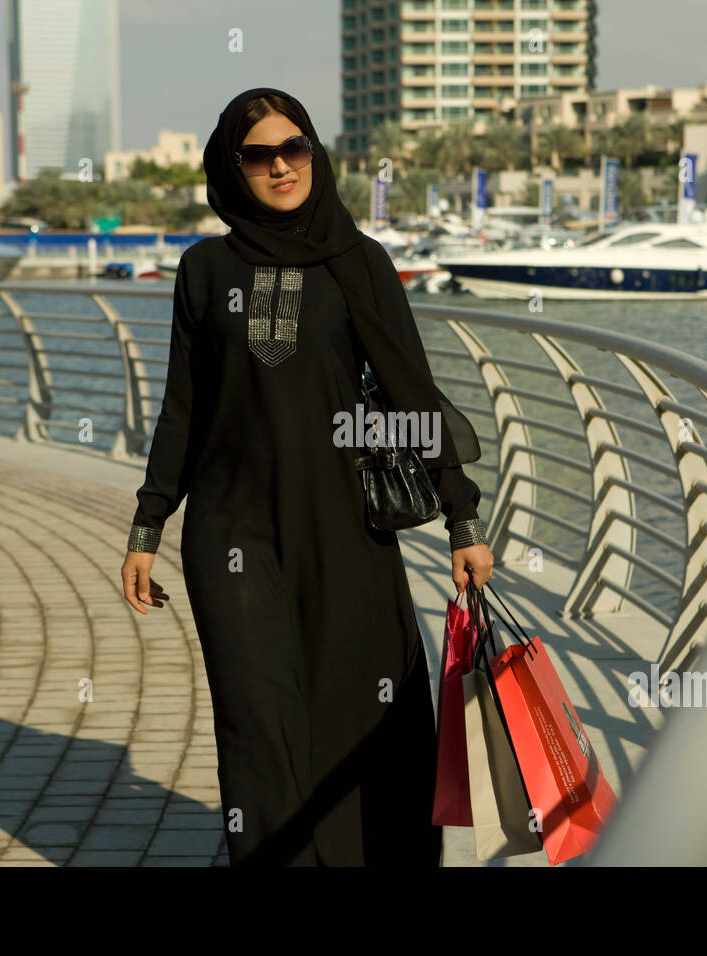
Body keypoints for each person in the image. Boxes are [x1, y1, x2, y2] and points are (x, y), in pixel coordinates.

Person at [119, 87, 494, 867]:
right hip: (233, 535)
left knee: (362, 716)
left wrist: (463, 521)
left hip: (344, 530)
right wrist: (147, 528)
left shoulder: (357, 261)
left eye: (295, 148)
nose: (282, 166)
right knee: (259, 724)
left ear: (315, 154)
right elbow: (182, 412)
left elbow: (411, 391)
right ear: (234, 167)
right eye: (260, 155)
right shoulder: (202, 268)